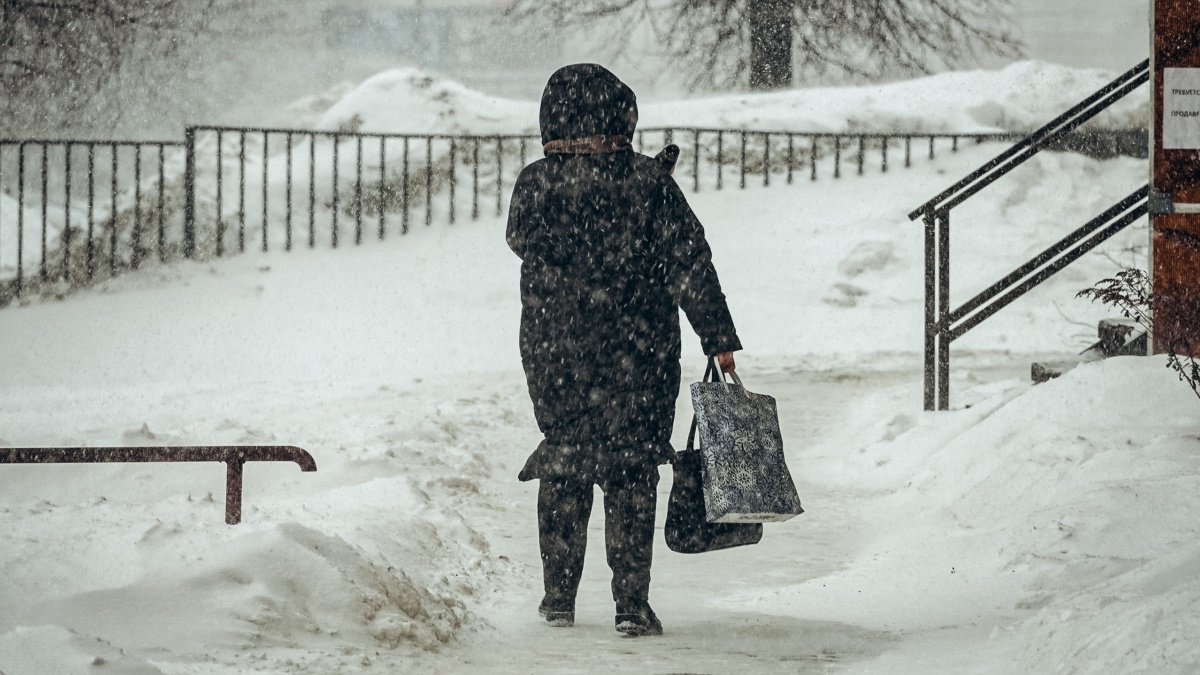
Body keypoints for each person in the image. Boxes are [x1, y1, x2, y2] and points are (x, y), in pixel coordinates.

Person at [506, 63, 741, 637]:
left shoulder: (536, 183)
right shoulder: (649, 184)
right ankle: (631, 605)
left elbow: (521, 239)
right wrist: (719, 337)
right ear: (623, 114)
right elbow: (690, 263)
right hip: (639, 352)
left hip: (556, 351)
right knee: (632, 470)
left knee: (565, 462)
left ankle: (558, 598)